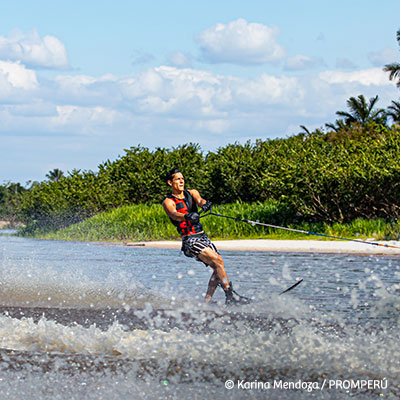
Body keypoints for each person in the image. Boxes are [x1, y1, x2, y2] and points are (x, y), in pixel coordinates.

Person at [162, 167, 250, 305]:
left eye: (182, 179)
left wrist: (205, 204)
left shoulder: (192, 193)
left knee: (218, 266)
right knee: (218, 262)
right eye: (178, 179)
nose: (181, 181)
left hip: (203, 237)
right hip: (190, 241)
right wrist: (187, 216)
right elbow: (174, 214)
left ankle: (206, 302)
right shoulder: (168, 201)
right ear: (169, 182)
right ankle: (230, 296)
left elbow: (200, 200)